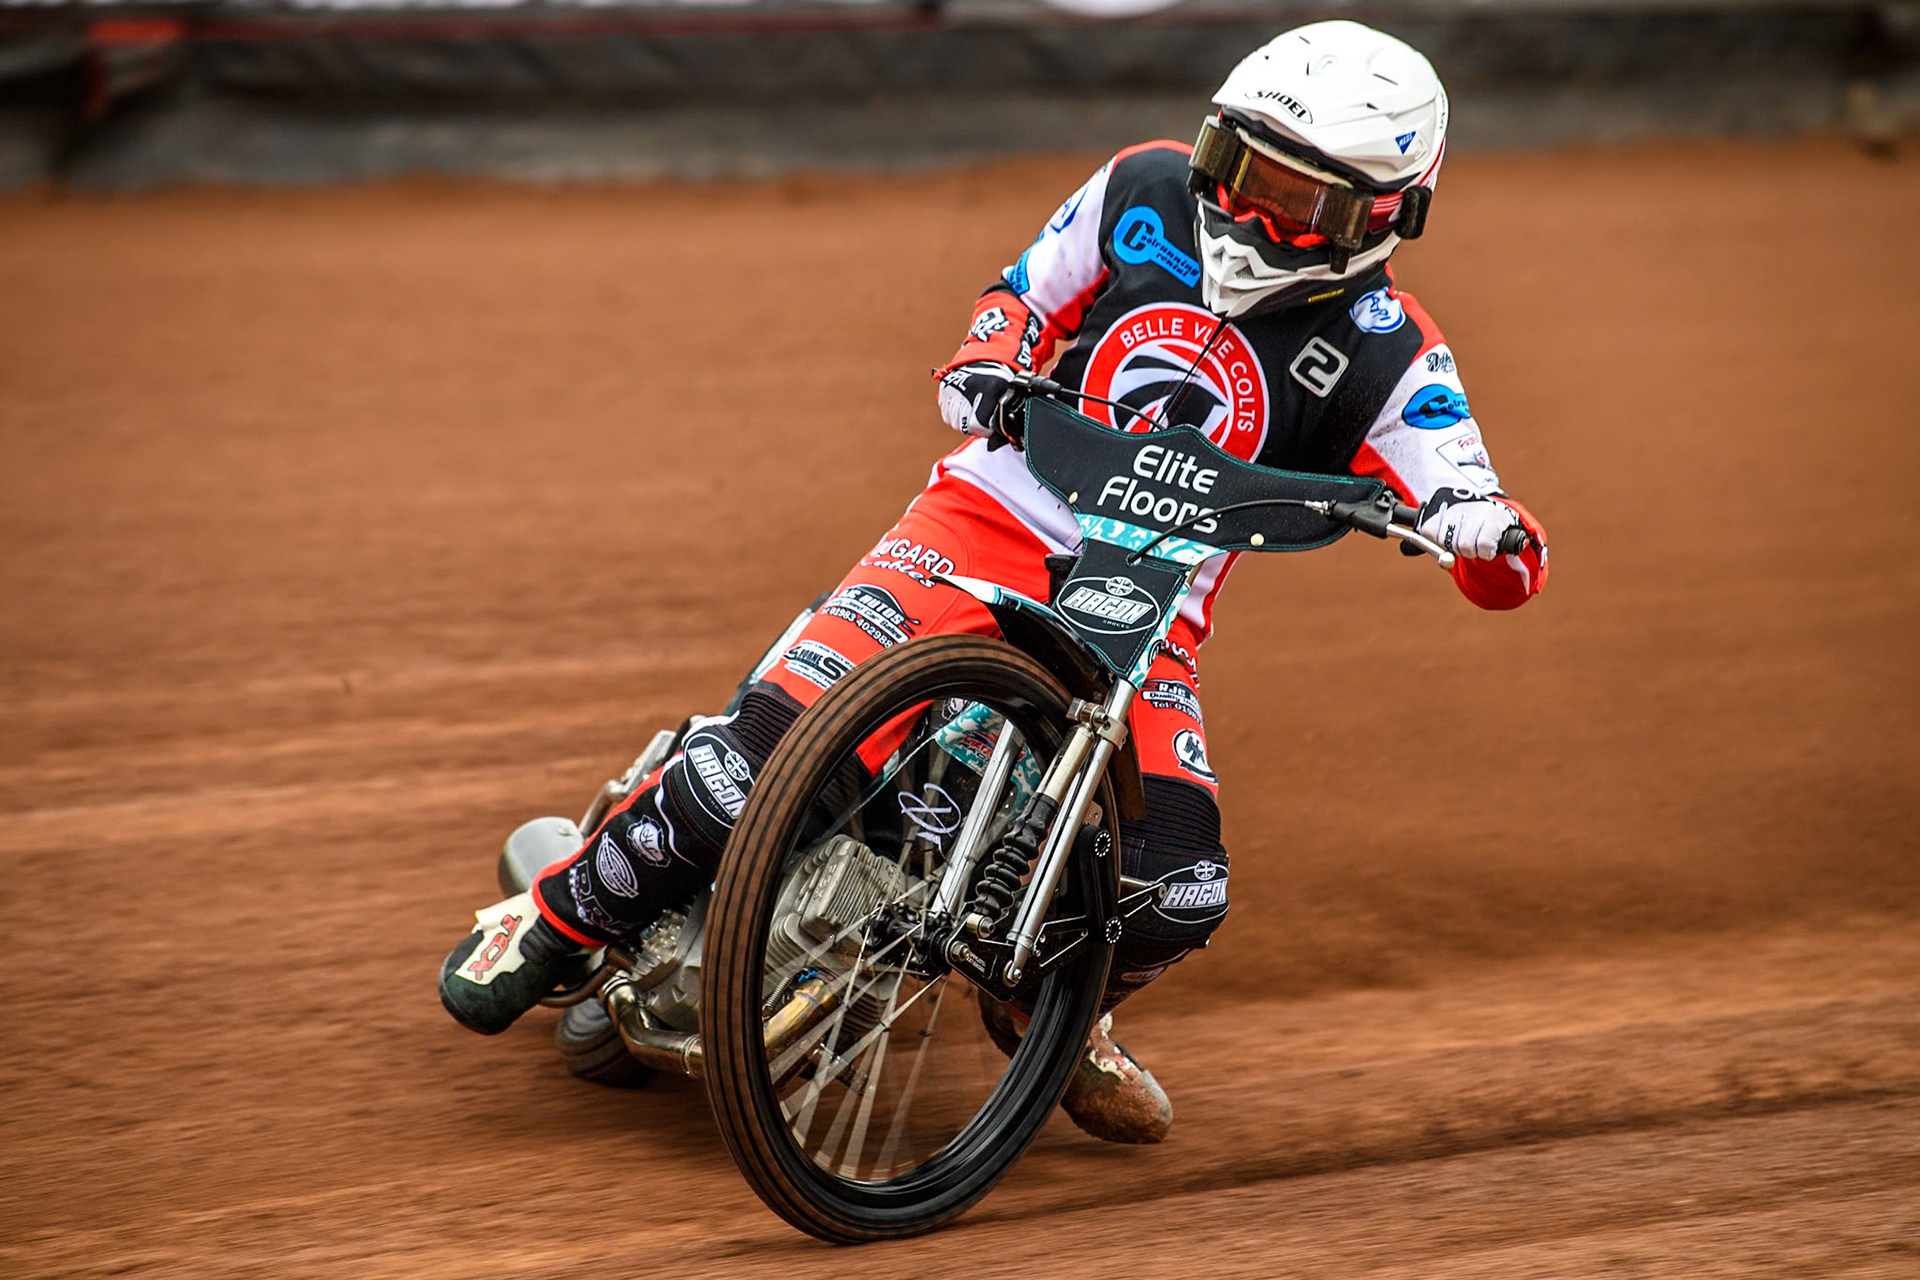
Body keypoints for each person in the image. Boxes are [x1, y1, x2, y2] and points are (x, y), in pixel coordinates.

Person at [437, 19, 1548, 1145]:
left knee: (1180, 887)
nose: (1250, 210)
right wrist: (986, 360)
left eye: (1297, 199)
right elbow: (1020, 293)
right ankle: (555, 917)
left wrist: (1487, 534)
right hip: (980, 522)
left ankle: (1047, 1009)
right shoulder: (1143, 187)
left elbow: (1482, 516)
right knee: (753, 766)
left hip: (1146, 613)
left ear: (1387, 213)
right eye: (1239, 166)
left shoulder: (1392, 349)